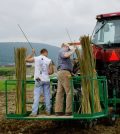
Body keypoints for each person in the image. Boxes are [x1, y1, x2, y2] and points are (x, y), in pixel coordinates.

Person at [25, 48, 54, 116]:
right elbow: (51, 72)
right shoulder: (49, 60)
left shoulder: (36, 58)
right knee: (47, 96)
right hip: (46, 80)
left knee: (37, 96)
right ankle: (48, 111)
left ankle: (34, 112)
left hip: (38, 79)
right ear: (45, 52)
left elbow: (26, 59)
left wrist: (32, 52)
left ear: (41, 52)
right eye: (47, 53)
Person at [55, 43, 76, 116]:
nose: (68, 48)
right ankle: (69, 111)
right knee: (70, 91)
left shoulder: (61, 51)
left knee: (60, 92)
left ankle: (58, 111)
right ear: (65, 46)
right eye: (68, 47)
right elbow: (66, 55)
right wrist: (73, 50)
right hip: (64, 73)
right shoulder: (62, 50)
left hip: (61, 72)